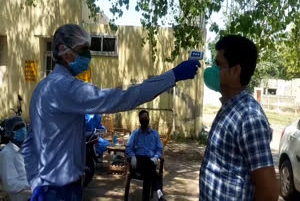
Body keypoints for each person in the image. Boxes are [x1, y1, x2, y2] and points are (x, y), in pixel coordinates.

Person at [22, 24, 201, 200]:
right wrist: (172, 76)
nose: (87, 55)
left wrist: (37, 182)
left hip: (50, 188)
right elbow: (124, 98)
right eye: (82, 49)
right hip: (60, 191)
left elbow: (29, 144)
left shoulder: (42, 88)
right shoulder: (66, 88)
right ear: (63, 50)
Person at [200, 35, 279, 201]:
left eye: (219, 64)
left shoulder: (249, 118)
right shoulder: (230, 108)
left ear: (235, 71)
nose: (213, 69)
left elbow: (269, 192)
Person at [126, 110, 164, 201]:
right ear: (139, 120)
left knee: (148, 171)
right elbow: (128, 147)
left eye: (146, 117)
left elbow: (159, 149)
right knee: (150, 169)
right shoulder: (135, 133)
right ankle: (159, 192)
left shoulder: (155, 134)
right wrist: (132, 156)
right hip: (138, 162)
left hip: (150, 161)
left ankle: (153, 195)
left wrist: (156, 157)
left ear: (149, 119)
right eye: (142, 118)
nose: (144, 119)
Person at [0, 116, 31, 201]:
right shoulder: (6, 154)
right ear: (10, 133)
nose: (23, 130)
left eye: (23, 126)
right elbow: (11, 184)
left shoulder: (24, 150)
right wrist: (32, 184)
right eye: (17, 127)